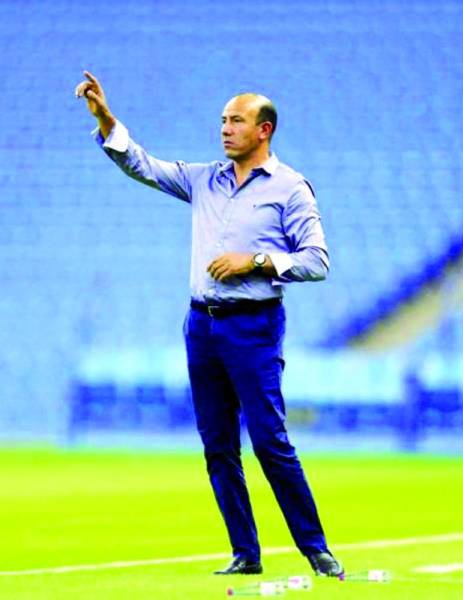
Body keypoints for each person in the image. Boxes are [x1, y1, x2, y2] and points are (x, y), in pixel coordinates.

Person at [75, 71, 343, 577]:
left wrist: (256, 261)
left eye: (236, 121)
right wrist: (107, 120)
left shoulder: (290, 188)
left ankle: (316, 550)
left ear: (264, 130)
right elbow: (143, 166)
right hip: (202, 325)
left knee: (269, 441)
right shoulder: (205, 179)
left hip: (253, 327)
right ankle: (246, 553)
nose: (225, 129)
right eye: (222, 120)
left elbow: (317, 261)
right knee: (218, 445)